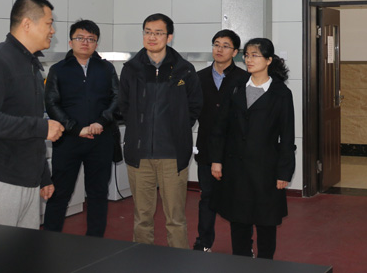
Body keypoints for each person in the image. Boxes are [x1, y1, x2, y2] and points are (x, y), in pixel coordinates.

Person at [0, 0, 65, 228]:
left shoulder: (31, 65)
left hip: (26, 182)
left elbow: (28, 122)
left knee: (22, 251)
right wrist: (41, 127)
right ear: (27, 24)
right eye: (49, 24)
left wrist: (43, 175)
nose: (53, 31)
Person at [118, 13, 202, 247]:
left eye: (158, 33)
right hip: (140, 154)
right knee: (142, 218)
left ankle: (178, 261)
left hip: (172, 155)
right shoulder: (131, 69)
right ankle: (142, 261)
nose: (152, 37)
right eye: (147, 32)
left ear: (169, 37)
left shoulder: (184, 70)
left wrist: (179, 128)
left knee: (175, 219)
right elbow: (123, 105)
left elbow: (195, 105)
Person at [210, 38, 295, 259]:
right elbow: (220, 127)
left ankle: (265, 264)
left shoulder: (281, 93)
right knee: (239, 220)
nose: (249, 60)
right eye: (246, 55)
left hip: (266, 169)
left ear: (268, 60)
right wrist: (217, 159)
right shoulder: (235, 87)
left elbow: (287, 136)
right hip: (236, 167)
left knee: (266, 222)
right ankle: (241, 262)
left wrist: (284, 172)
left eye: (255, 55)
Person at [42, 19, 119, 237]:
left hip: (100, 140)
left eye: (91, 39)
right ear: (70, 42)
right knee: (60, 194)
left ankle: (94, 242)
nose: (85, 42)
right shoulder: (58, 70)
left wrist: (101, 122)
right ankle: (49, 240)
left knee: (98, 194)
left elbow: (117, 98)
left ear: (96, 43)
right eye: (80, 38)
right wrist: (75, 128)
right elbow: (52, 103)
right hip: (68, 140)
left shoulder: (106, 68)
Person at [193, 29, 249, 252]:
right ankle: (203, 242)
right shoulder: (199, 77)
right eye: (216, 44)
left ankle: (244, 247)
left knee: (238, 199)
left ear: (235, 52)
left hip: (235, 150)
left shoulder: (244, 79)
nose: (219, 49)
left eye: (226, 46)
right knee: (207, 197)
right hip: (207, 147)